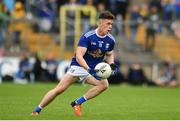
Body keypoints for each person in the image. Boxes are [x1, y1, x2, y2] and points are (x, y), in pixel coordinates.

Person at [31, 11, 117, 117]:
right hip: (79, 66)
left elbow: (109, 54)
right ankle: (37, 110)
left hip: (94, 68)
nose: (110, 27)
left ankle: (77, 103)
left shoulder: (111, 40)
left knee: (104, 85)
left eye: (111, 24)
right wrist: (88, 69)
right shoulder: (88, 36)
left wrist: (111, 64)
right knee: (60, 89)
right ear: (100, 22)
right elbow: (79, 56)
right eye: (108, 24)